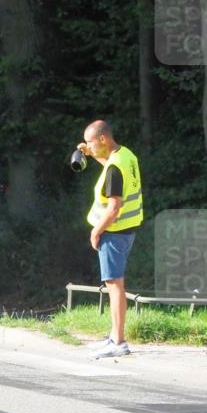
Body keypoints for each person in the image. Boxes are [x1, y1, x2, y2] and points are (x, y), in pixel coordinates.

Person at [76, 120, 143, 358]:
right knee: (115, 284)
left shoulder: (115, 167)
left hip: (114, 231)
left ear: (103, 139)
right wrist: (92, 155)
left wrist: (96, 231)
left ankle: (119, 342)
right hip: (126, 229)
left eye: (91, 143)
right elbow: (110, 169)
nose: (89, 147)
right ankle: (114, 336)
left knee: (114, 285)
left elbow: (114, 207)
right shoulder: (126, 156)